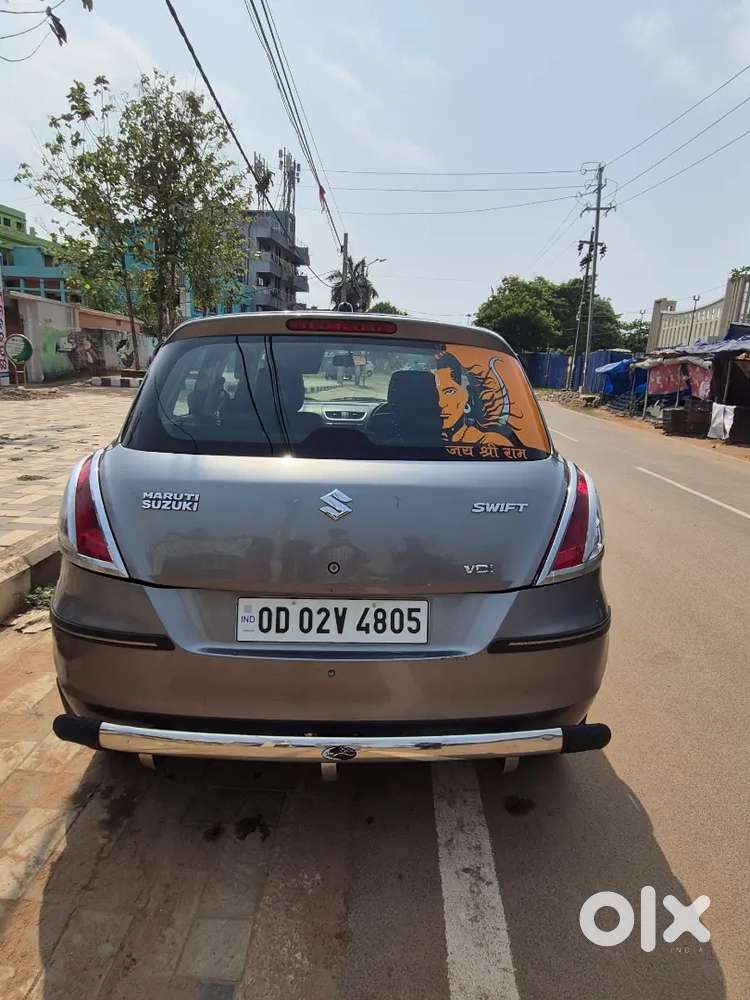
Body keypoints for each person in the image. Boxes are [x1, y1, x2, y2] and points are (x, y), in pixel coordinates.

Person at [434, 352, 522, 448]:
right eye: (432, 393)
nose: (440, 403)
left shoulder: (491, 443)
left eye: (449, 392)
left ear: (468, 398)